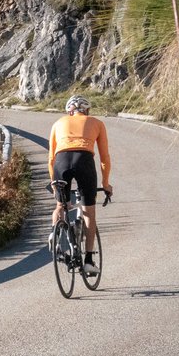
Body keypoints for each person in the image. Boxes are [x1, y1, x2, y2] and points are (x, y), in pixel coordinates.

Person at [48, 94, 112, 275]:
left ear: (69, 111)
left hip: (61, 161)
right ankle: (89, 261)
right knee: (88, 212)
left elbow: (51, 158)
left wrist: (54, 184)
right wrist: (106, 183)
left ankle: (55, 233)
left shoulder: (58, 123)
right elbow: (105, 158)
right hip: (84, 161)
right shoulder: (97, 123)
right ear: (87, 110)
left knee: (61, 205)